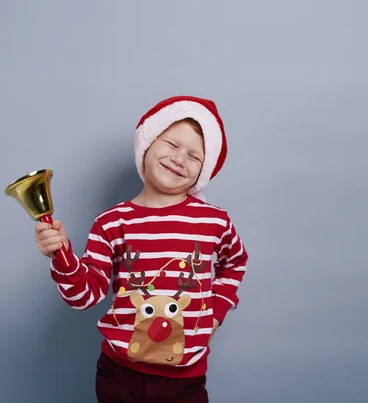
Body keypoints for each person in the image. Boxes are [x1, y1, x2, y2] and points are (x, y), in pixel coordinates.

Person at [35, 95, 248, 402]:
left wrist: (215, 312)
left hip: (185, 379)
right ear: (147, 143)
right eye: (172, 144)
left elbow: (235, 262)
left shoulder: (213, 221)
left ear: (203, 171)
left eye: (194, 156)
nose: (179, 159)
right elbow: (84, 296)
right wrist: (62, 255)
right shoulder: (111, 223)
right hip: (120, 375)